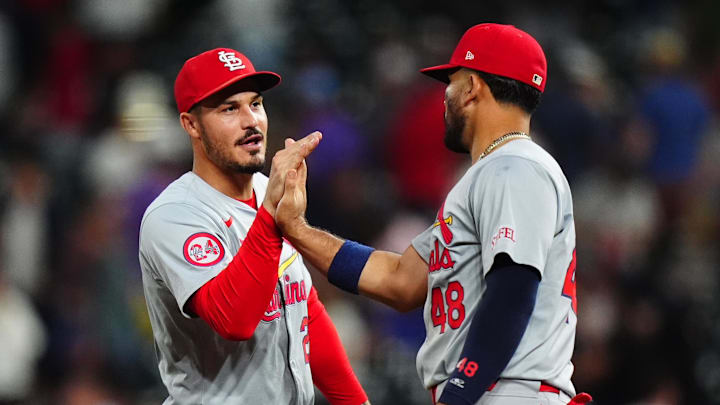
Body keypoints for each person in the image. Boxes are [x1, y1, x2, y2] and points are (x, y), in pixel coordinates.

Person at [273, 24, 592, 405]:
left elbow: (514, 289)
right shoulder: (488, 174)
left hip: (506, 390)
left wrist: (461, 390)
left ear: (472, 86)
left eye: (451, 82)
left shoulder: (515, 166)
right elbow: (399, 280)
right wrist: (296, 228)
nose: (444, 97)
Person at [138, 48, 369, 405]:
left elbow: (302, 308)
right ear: (191, 124)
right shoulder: (174, 215)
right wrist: (272, 213)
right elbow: (234, 321)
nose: (251, 121)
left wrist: (354, 402)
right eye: (230, 108)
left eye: (256, 104)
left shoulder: (266, 190)